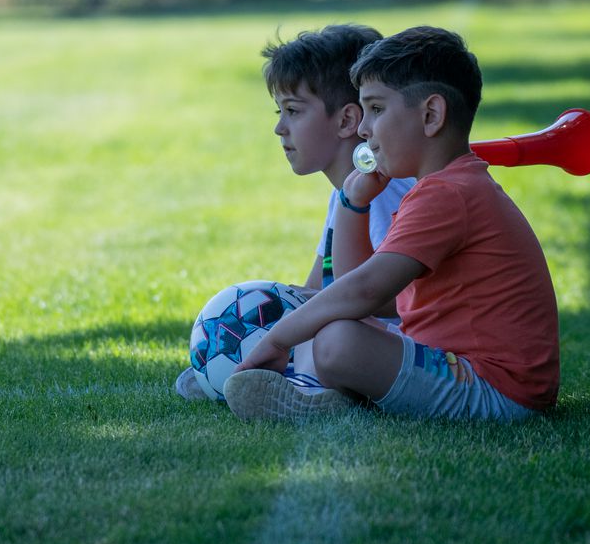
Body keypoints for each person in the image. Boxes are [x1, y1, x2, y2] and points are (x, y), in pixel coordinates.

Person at [224, 26, 559, 422]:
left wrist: (278, 340)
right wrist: (352, 201)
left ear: (431, 115)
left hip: (495, 389)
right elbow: (355, 281)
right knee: (335, 333)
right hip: (473, 373)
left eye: (377, 110)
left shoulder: (446, 195)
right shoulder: (437, 189)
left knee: (337, 341)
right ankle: (302, 382)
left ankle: (311, 387)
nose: (365, 129)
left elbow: (364, 291)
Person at [175, 24, 415, 400]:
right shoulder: (346, 194)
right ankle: (236, 368)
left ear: (347, 121)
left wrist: (305, 312)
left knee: (328, 329)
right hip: (372, 337)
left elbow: (399, 295)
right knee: (307, 315)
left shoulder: (387, 192)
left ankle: (307, 389)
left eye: (293, 111)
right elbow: (316, 289)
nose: (279, 128)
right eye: (279, 111)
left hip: (416, 346)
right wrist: (259, 319)